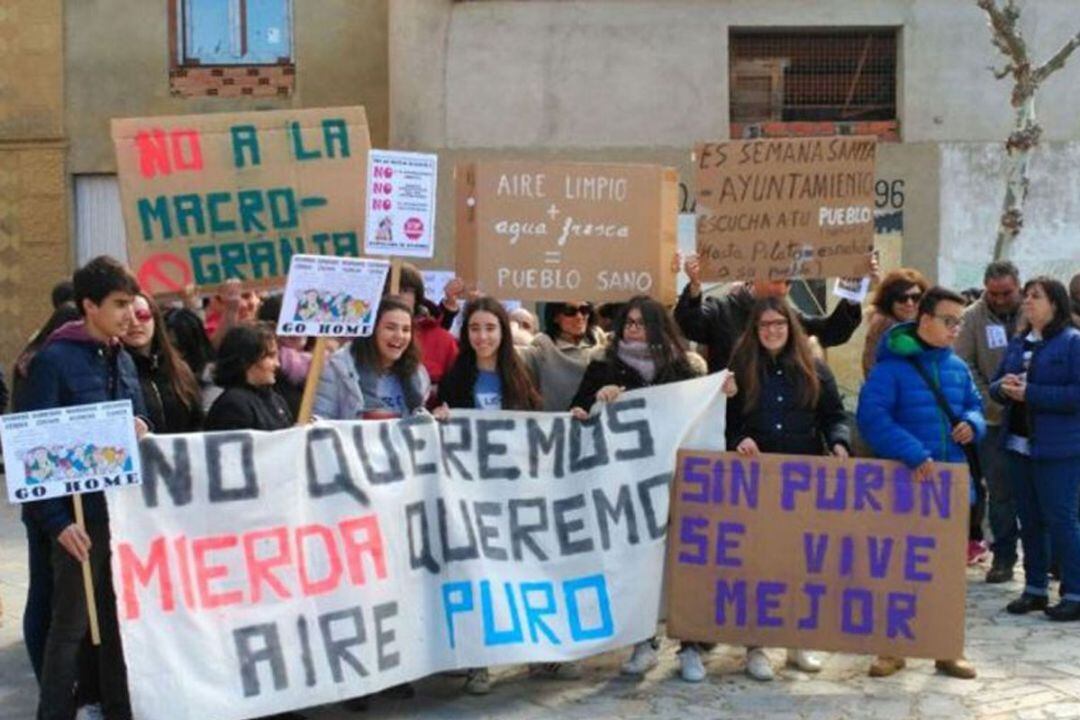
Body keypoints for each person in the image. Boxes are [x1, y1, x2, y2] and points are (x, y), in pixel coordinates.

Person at [566, 296, 728, 683]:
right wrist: (596, 400)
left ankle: (690, 645)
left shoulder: (687, 366)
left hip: (678, 481)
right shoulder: (603, 365)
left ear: (659, 326)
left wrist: (723, 391)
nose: (633, 329)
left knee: (683, 559)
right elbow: (579, 414)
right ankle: (644, 640)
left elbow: (701, 414)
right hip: (630, 484)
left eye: (642, 323)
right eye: (628, 323)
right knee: (640, 561)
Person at [21, 256, 149, 720]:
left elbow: (136, 410)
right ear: (88, 306)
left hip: (121, 511)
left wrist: (141, 423)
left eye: (132, 304)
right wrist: (57, 522)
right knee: (70, 628)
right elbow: (30, 450)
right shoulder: (53, 361)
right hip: (79, 519)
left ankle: (118, 708)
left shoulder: (122, 356)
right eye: (119, 305)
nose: (130, 315)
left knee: (117, 624)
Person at [857, 286, 985, 680]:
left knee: (946, 574)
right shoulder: (890, 368)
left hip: (950, 488)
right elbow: (872, 418)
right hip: (905, 484)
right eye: (949, 321)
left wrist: (972, 425)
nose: (955, 330)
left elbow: (975, 406)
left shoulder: (957, 368)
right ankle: (891, 650)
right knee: (897, 571)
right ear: (924, 320)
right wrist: (912, 451)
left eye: (959, 322)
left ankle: (946, 650)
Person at [720, 297, 850, 682]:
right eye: (764, 325)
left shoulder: (815, 369)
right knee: (758, 565)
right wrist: (738, 438)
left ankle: (797, 643)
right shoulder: (739, 370)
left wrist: (840, 441)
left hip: (802, 483)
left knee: (799, 564)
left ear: (791, 328)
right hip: (754, 483)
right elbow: (724, 421)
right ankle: (756, 646)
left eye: (779, 324)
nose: (772, 330)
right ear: (754, 331)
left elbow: (833, 416)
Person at [434, 297, 544, 694]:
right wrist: (441, 420)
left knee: (524, 567)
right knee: (477, 573)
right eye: (475, 328)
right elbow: (440, 427)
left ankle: (539, 649)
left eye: (490, 328)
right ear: (466, 333)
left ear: (502, 332)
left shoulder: (522, 372)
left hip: (515, 489)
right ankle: (478, 663)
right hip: (470, 491)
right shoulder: (456, 377)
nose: (483, 336)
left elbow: (538, 426)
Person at [992, 277, 1080, 622]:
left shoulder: (1073, 343)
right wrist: (1005, 387)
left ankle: (1074, 592)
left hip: (1059, 448)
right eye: (1026, 296)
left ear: (1055, 304)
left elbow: (1076, 395)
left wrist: (1033, 393)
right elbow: (997, 384)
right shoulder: (1018, 342)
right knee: (1028, 519)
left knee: (1061, 519)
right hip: (1018, 445)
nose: (1027, 302)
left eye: (1035, 297)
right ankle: (1034, 589)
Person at [8, 303, 81, 686]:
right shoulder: (49, 366)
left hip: (46, 492)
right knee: (48, 594)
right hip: (52, 498)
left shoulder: (31, 360)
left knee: (44, 589)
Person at [676, 254, 865, 372]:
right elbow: (690, 326)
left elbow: (831, 332)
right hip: (732, 416)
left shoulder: (790, 316)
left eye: (789, 283)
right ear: (753, 276)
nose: (783, 289)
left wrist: (853, 293)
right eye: (777, 281)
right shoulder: (722, 309)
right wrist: (694, 286)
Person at [956, 261, 1023, 581]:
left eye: (1006, 293)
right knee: (1000, 491)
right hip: (993, 418)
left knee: (1041, 491)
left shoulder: (1035, 310)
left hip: (1033, 416)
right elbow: (965, 364)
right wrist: (991, 396)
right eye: (993, 293)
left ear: (1018, 286)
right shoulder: (972, 318)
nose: (998, 299)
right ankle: (1004, 556)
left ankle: (1051, 559)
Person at [314, 296, 431, 420]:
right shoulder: (338, 369)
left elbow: (420, 419)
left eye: (406, 330)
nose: (399, 336)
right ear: (372, 330)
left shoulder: (418, 374)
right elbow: (322, 423)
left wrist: (436, 418)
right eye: (390, 328)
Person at [123, 293, 204, 434]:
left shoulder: (179, 368)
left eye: (142, 315)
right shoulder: (115, 371)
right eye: (126, 318)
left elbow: (197, 420)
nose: (135, 324)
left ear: (155, 319)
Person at [519, 301, 607, 411]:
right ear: (555, 317)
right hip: (557, 424)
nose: (579, 317)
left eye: (584, 310)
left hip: (597, 423)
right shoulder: (542, 347)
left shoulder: (602, 342)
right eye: (570, 311)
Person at [205, 323, 293, 431]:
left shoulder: (276, 400)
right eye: (270, 356)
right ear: (246, 360)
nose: (277, 364)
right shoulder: (232, 406)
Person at [393, 263, 458, 401]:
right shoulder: (365, 338)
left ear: (417, 296)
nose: (397, 295)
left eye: (405, 290)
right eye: (391, 289)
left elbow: (458, 393)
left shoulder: (444, 341)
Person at [862, 268, 930, 378]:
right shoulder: (884, 328)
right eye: (901, 298)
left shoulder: (927, 326)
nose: (909, 303)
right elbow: (873, 372)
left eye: (916, 297)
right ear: (889, 300)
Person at [205, 279, 262, 349]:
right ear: (215, 302)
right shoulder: (210, 331)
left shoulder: (265, 326)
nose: (242, 304)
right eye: (230, 298)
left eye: (247, 296)